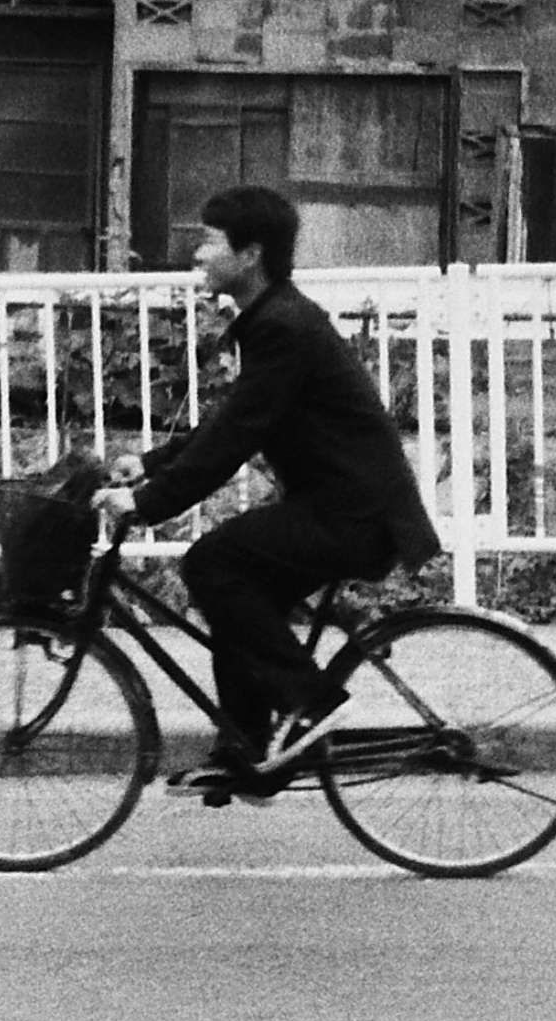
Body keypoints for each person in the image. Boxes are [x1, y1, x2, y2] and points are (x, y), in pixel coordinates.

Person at [95, 185, 441, 800]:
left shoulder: (283, 327)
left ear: (250, 254)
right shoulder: (274, 318)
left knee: (214, 563)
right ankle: (248, 752)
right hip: (338, 503)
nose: (197, 254)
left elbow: (236, 437)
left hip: (355, 513)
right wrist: (145, 466)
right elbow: (235, 421)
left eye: (208, 242)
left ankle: (311, 705)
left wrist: (149, 504)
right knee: (235, 589)